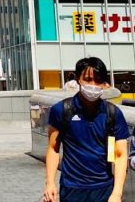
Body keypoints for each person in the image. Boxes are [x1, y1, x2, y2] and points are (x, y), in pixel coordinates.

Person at [43, 57, 129, 202]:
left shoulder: (113, 114)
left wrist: (117, 194)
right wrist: (50, 183)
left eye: (98, 80)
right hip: (71, 189)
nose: (93, 85)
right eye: (88, 79)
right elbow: (53, 148)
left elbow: (120, 155)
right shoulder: (62, 110)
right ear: (77, 79)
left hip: (104, 189)